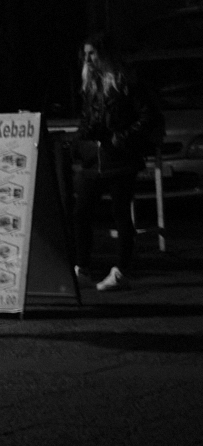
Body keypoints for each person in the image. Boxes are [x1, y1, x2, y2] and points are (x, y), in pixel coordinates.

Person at [73, 34, 162, 292]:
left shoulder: (126, 82)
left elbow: (147, 116)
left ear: (105, 54)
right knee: (81, 211)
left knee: (121, 213)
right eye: (86, 54)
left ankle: (122, 270)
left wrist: (120, 138)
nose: (88, 59)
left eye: (93, 53)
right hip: (96, 158)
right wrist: (82, 142)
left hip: (119, 158)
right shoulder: (91, 83)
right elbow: (87, 118)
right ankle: (82, 268)